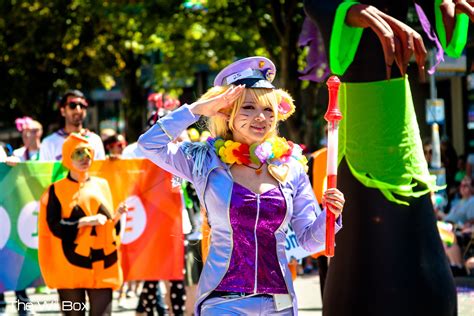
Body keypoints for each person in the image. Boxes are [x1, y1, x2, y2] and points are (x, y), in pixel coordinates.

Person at [138, 56, 345, 315]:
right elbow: (149, 144)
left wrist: (331, 214)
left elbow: (310, 242)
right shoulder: (203, 160)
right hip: (223, 303)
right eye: (248, 107)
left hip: (278, 304)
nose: (260, 117)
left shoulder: (291, 168)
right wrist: (199, 109)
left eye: (268, 110)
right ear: (228, 113)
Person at [38, 133, 127, 315]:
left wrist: (116, 217)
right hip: (69, 269)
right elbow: (53, 227)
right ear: (67, 156)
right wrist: (83, 221)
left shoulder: (102, 185)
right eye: (78, 153)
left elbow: (108, 228)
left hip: (101, 268)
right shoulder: (56, 190)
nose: (85, 157)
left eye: (88, 152)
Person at [39, 89, 105, 161]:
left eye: (82, 105)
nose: (78, 110)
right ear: (63, 111)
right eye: (72, 105)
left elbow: (100, 172)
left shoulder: (95, 140)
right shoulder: (49, 143)